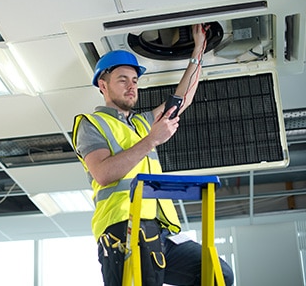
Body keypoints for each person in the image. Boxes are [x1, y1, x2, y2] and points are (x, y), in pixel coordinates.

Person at [72, 24, 234, 286]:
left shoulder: (143, 123)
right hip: (122, 229)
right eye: (122, 80)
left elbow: (184, 98)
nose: (131, 86)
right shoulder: (92, 124)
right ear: (103, 85)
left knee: (218, 274)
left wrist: (198, 49)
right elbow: (102, 174)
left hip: (159, 230)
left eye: (135, 81)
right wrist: (152, 140)